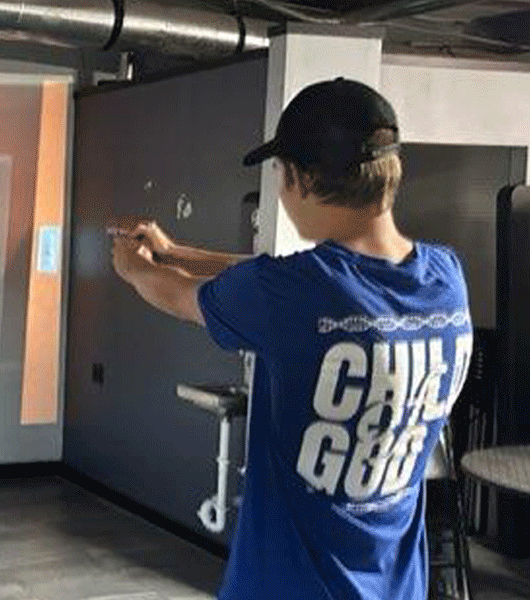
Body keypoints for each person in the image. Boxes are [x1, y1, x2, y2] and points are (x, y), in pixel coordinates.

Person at [108, 78, 473, 600]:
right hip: (396, 586)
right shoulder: (445, 277)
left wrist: (134, 267)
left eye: (280, 173)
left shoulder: (295, 291)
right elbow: (279, 277)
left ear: (302, 178)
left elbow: (176, 294)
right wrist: (176, 250)